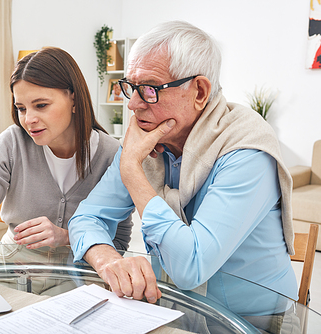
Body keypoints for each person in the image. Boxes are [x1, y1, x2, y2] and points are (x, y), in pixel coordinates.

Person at [68, 21, 298, 317]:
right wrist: (108, 259)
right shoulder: (146, 140)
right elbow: (85, 218)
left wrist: (132, 173)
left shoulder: (248, 150)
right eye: (130, 88)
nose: (134, 104)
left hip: (253, 322)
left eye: (149, 89)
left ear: (199, 91)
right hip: (173, 311)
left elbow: (191, 267)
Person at [0, 47, 133, 282]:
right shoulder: (12, 143)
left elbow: (119, 242)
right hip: (12, 269)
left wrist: (66, 236)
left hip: (78, 277)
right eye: (21, 108)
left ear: (73, 98)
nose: (29, 120)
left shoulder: (111, 155)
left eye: (41, 105)